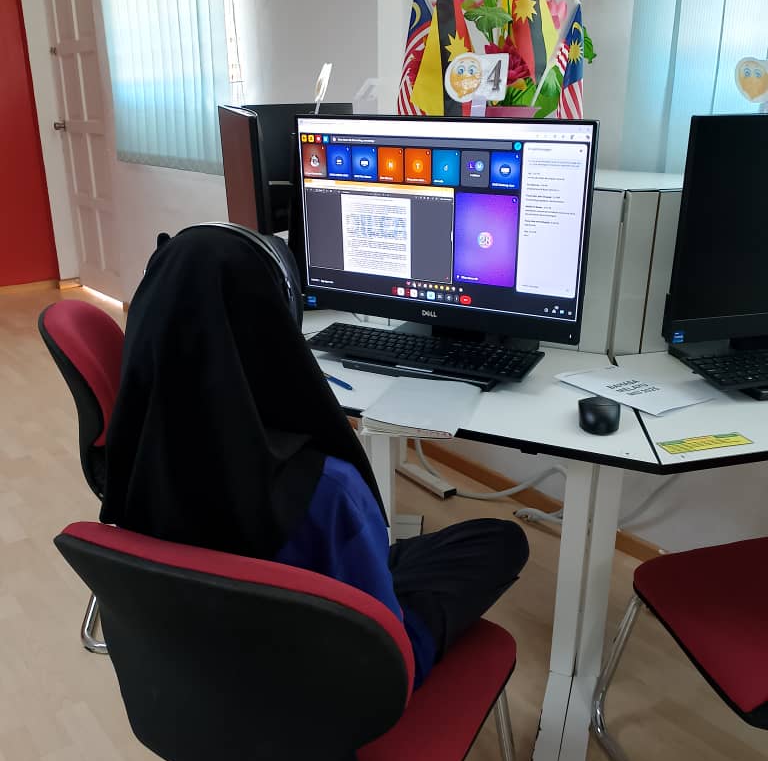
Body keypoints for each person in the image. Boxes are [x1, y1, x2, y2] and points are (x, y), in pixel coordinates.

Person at [101, 225, 529, 687]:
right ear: (273, 328)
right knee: (500, 540)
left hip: (208, 667)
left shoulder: (131, 461)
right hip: (354, 678)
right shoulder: (330, 489)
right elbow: (381, 639)